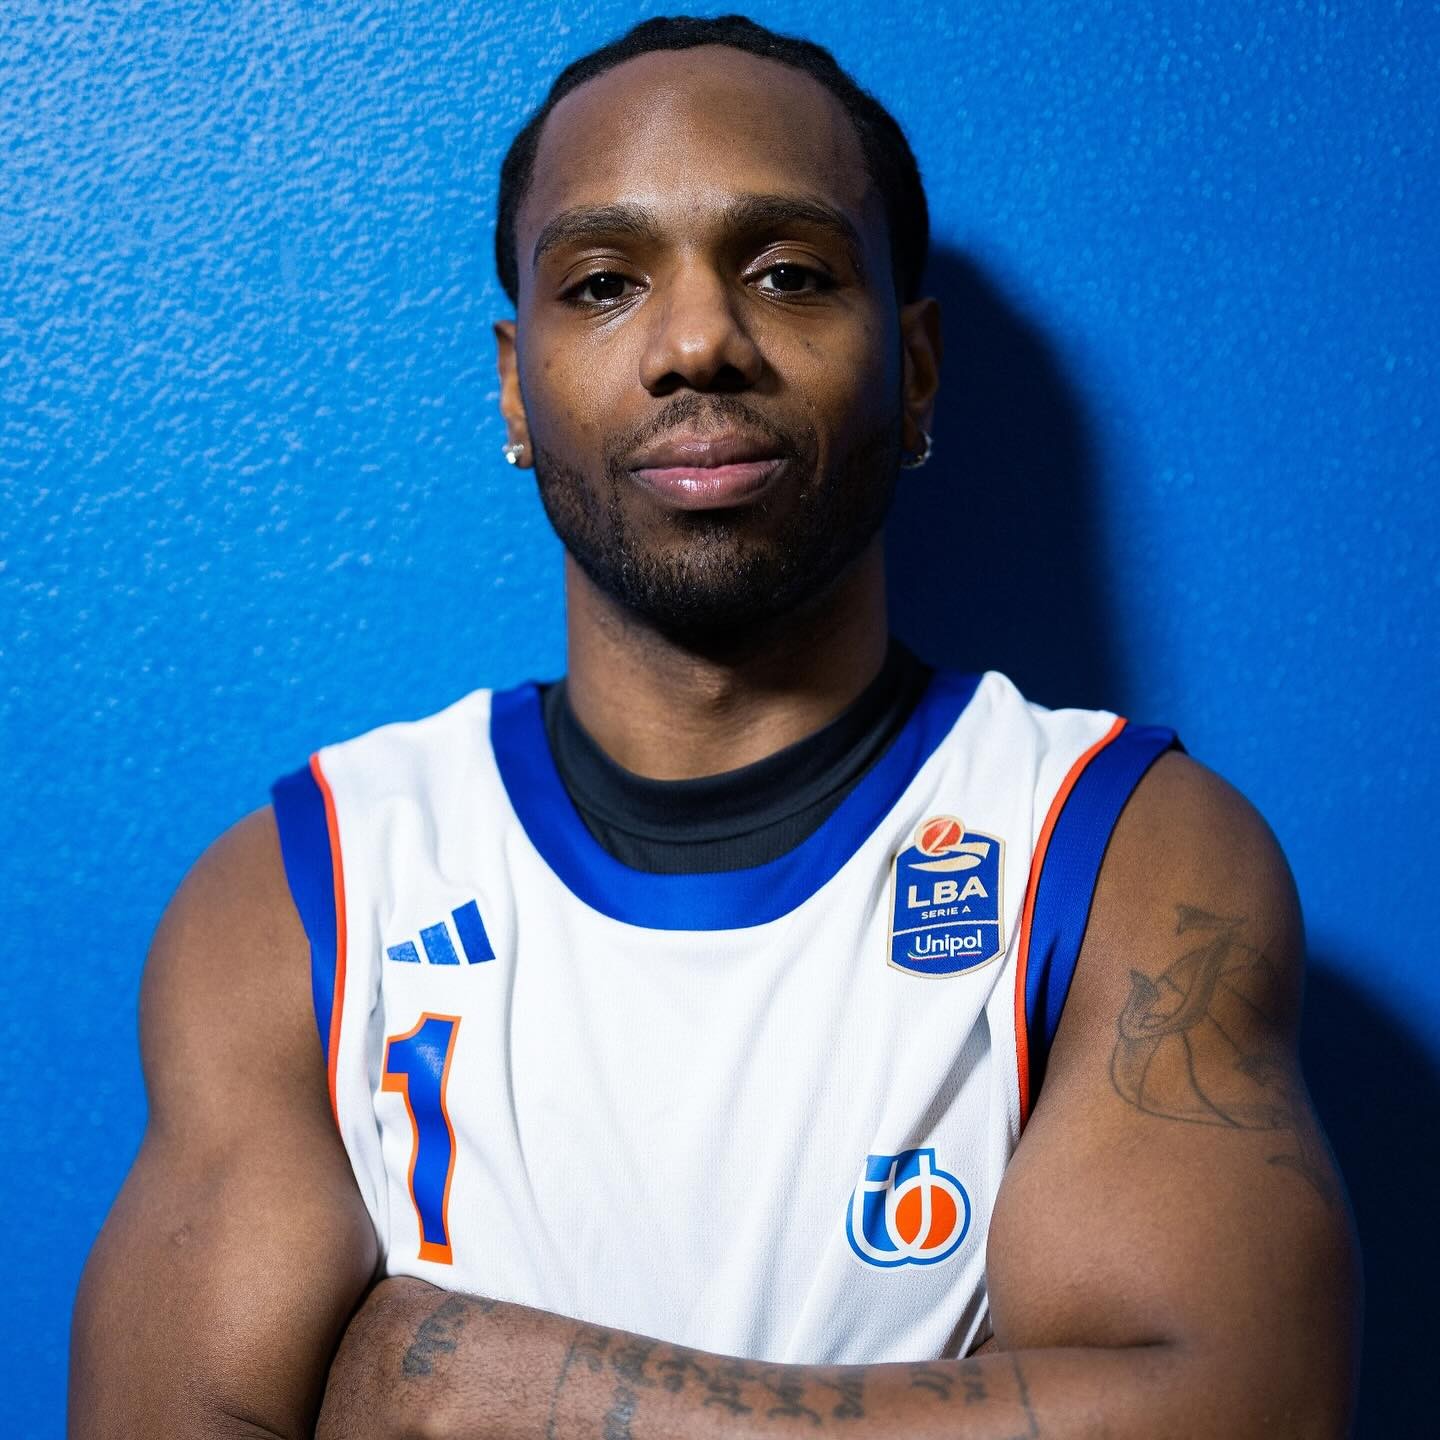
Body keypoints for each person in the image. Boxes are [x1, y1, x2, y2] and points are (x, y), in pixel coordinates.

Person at [69, 14, 1359, 1439]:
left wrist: (469, 1384)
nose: (696, 343)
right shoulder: (303, 896)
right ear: (514, 384)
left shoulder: (1123, 860)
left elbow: (1245, 1410)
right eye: (604, 284)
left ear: (916, 371)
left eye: (789, 273)